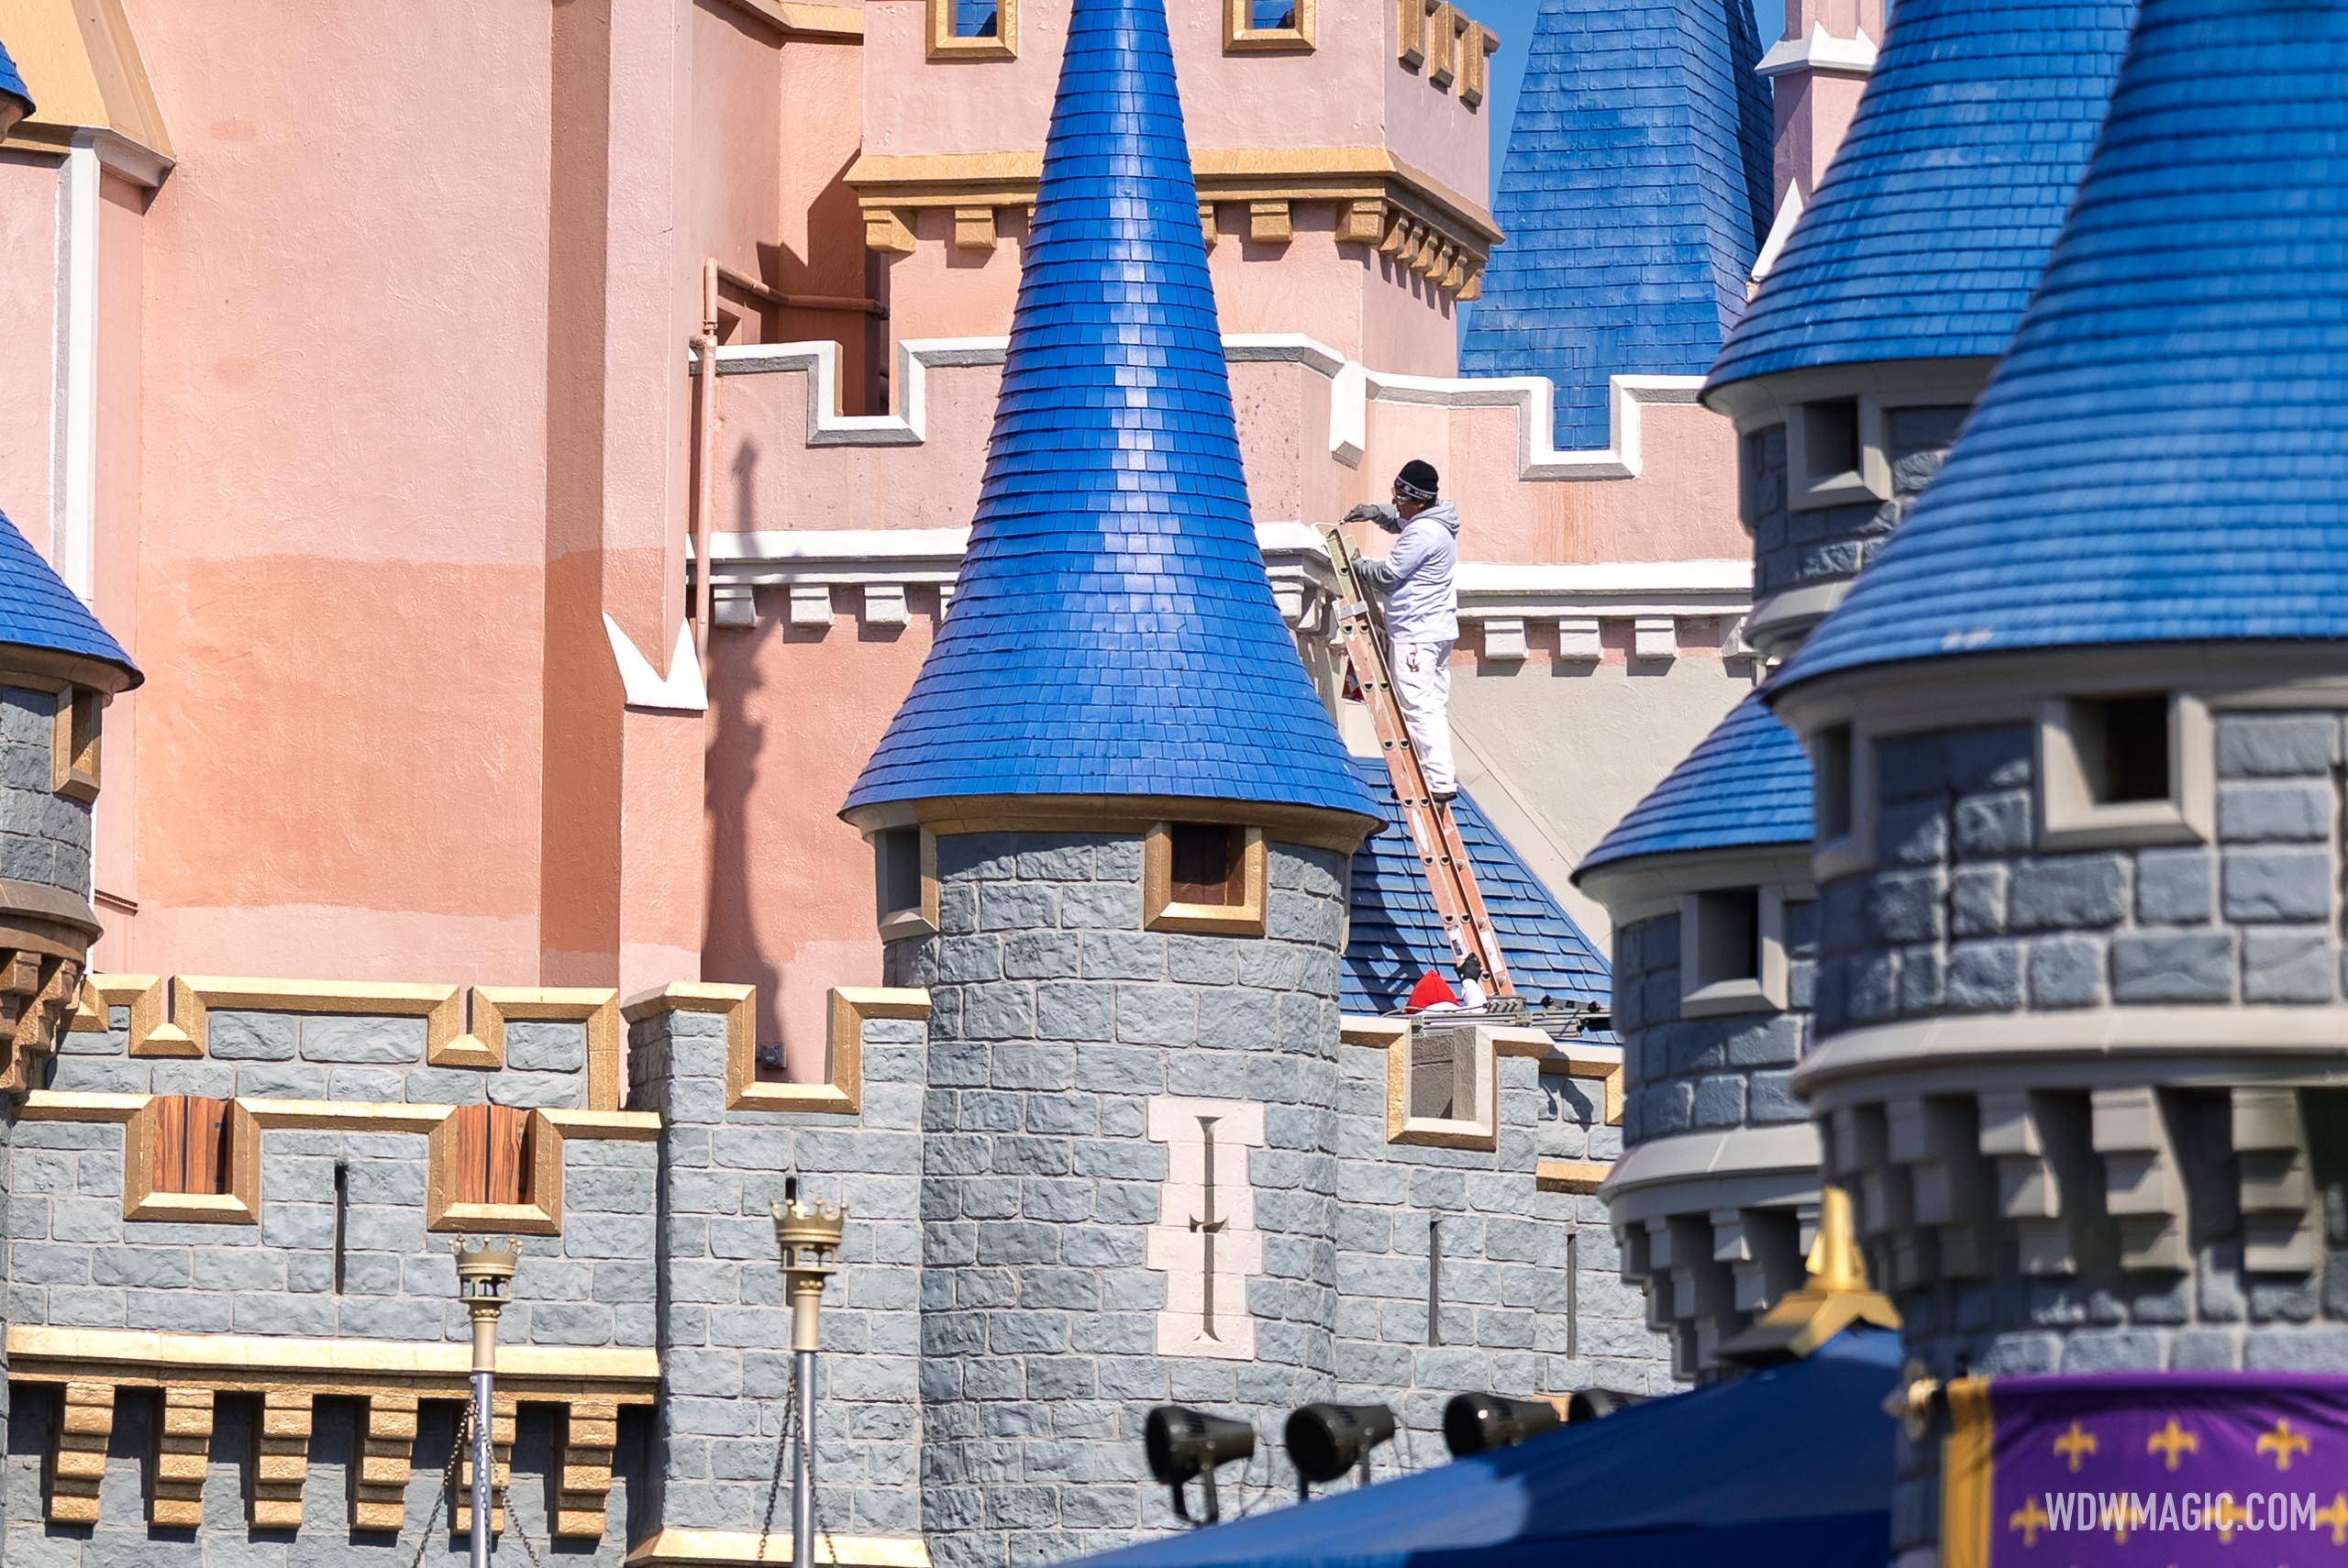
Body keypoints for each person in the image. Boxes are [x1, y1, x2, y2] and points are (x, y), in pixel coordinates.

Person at [1345, 458, 1461, 801]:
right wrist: (1374, 513)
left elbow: (1386, 576)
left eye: (1399, 496)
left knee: (1416, 705)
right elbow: (1399, 521)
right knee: (1432, 704)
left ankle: (1437, 782)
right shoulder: (1436, 520)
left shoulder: (1425, 532)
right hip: (1434, 630)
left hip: (1417, 632)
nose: (1394, 501)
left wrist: (1354, 563)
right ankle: (1432, 775)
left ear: (1419, 500)